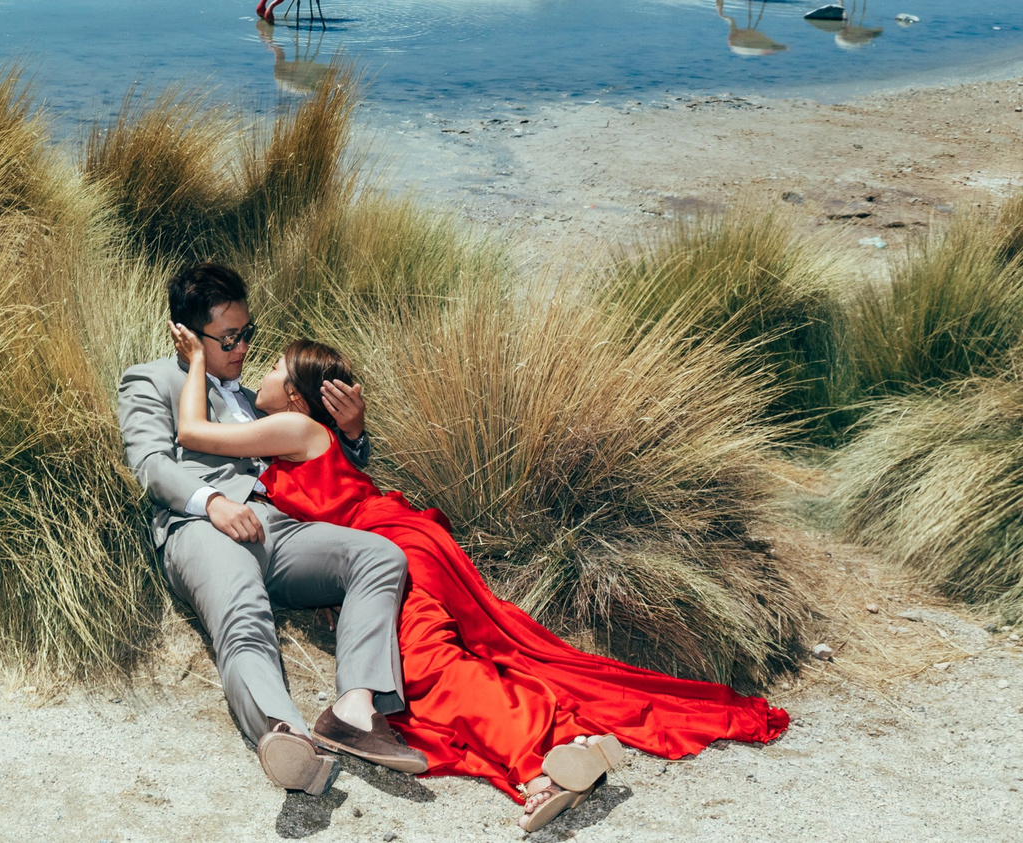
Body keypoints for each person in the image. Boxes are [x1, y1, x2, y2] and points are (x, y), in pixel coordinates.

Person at [172, 331, 793, 833]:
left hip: (392, 545)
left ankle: (538, 766)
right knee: (486, 648)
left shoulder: (292, 430)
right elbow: (336, 478)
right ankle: (558, 749)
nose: (267, 374)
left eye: (277, 367)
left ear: (302, 401)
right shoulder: (314, 434)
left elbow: (193, 433)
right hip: (404, 536)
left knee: (431, 665)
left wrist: (198, 361)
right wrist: (355, 436)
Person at [118, 264, 428, 794]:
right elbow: (150, 463)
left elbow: (318, 461)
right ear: (188, 334)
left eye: (247, 334)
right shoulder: (151, 380)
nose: (241, 349)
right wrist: (211, 501)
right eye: (229, 338)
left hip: (280, 527)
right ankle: (285, 734)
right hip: (203, 526)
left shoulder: (251, 396)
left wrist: (354, 437)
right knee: (244, 615)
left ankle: (355, 708)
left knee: (380, 556)